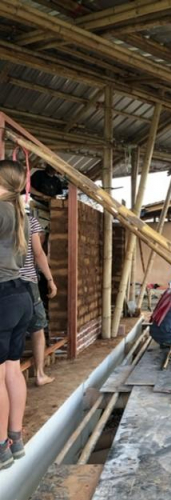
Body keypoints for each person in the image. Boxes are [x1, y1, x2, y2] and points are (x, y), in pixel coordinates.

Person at [0, 160, 33, 471]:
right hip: (20, 295)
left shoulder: (1, 209)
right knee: (12, 368)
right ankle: (15, 439)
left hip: (1, 295)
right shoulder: (21, 214)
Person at [20, 215, 57, 386]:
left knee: (10, 329)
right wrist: (50, 280)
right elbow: (38, 253)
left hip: (4, 282)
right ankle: (40, 374)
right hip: (26, 282)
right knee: (37, 327)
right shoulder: (28, 220)